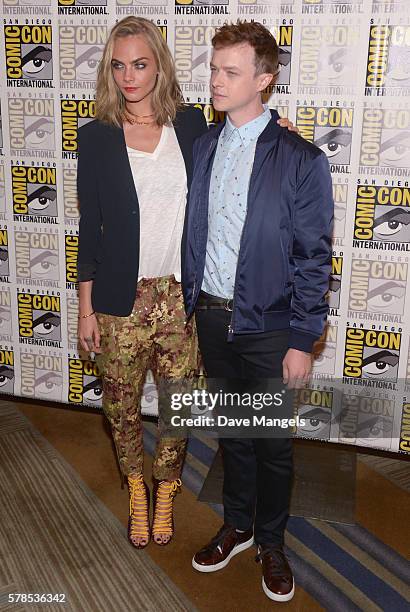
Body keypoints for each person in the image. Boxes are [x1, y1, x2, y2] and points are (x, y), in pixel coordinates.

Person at [76, 16, 298, 550]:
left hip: (179, 296)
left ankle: (167, 487)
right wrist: (85, 308)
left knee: (181, 402)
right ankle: (136, 486)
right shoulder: (95, 136)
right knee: (121, 406)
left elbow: (246, 141)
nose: (129, 76)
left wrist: (281, 134)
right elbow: (90, 228)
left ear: (159, 64)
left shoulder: (193, 125)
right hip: (117, 299)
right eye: (119, 65)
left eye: (141, 64)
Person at [182, 22, 333, 601]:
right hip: (213, 318)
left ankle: (272, 540)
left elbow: (313, 256)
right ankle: (238, 526)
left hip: (271, 327)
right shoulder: (204, 145)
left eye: (230, 72)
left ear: (264, 80)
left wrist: (302, 338)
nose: (216, 81)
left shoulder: (299, 158)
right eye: (214, 69)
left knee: (272, 444)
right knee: (233, 435)